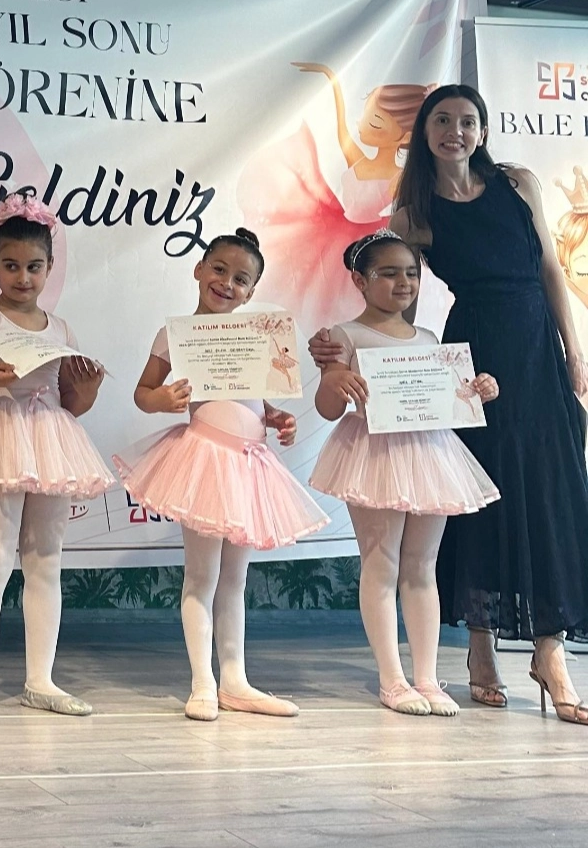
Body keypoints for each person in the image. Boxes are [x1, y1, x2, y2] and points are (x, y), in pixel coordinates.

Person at [310, 85, 588, 724]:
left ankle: (550, 652)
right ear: (424, 132)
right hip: (471, 352)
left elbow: (550, 270)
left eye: (466, 120)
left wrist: (573, 349)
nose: (454, 131)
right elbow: (392, 296)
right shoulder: (413, 212)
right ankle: (480, 647)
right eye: (442, 120)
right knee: (474, 497)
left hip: (536, 351)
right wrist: (350, 352)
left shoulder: (519, 184)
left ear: (482, 130)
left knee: (546, 493)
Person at [123, 229, 327, 721]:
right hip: (205, 459)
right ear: (198, 269)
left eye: (240, 279)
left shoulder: (254, 338)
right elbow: (143, 393)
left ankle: (235, 680)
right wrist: (162, 399)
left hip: (249, 463)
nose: (226, 283)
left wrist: (276, 416)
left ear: (251, 293)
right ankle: (203, 682)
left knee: (235, 580)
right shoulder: (176, 335)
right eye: (219, 269)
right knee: (202, 576)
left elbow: (251, 397)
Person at [0, 194, 112, 717]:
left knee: (45, 560)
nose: (23, 277)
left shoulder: (60, 328)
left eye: (34, 267)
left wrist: (88, 389)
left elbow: (70, 402)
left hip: (50, 437)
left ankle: (41, 680)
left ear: (49, 267)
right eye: (10, 266)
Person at [311, 230, 498, 716]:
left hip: (429, 454)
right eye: (389, 273)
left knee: (421, 567)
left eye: (412, 273)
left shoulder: (429, 339)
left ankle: (427, 678)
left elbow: (447, 399)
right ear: (360, 280)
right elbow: (327, 407)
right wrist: (337, 381)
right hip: (374, 455)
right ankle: (392, 679)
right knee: (381, 562)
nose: (404, 283)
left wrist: (477, 389)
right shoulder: (344, 336)